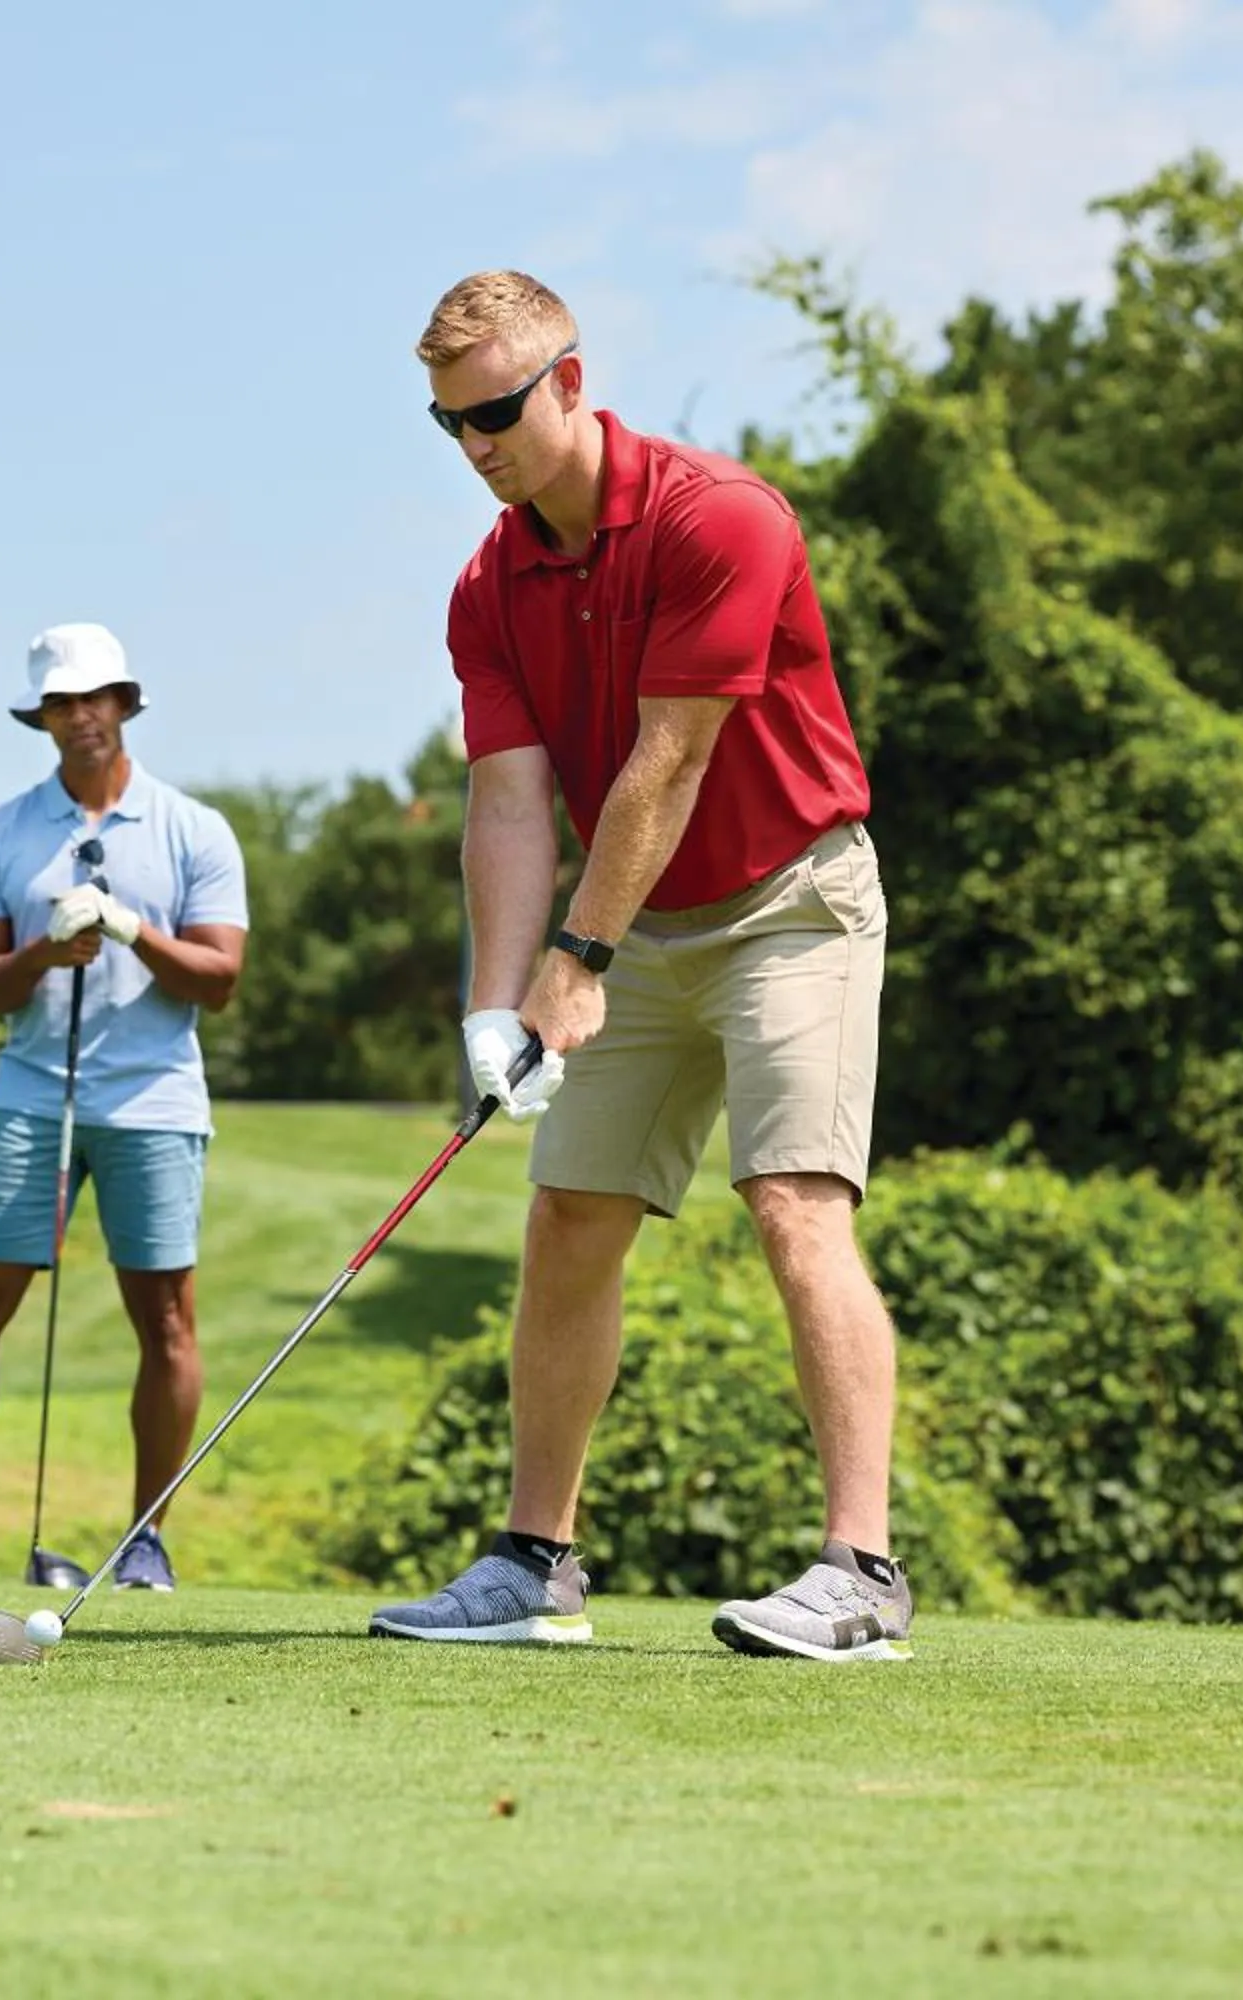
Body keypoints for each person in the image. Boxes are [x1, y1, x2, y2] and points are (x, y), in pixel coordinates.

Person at [367, 271, 910, 1661]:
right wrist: (494, 1007)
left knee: (793, 1202)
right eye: (449, 424)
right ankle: (533, 1564)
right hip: (634, 925)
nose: (476, 445)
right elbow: (507, 803)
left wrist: (575, 961)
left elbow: (670, 761)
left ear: (568, 381)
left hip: (790, 901)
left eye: (495, 412)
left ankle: (861, 1572)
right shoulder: (489, 585)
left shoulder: (718, 517)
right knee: (570, 1218)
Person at [0, 623, 249, 1592]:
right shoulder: (0, 834)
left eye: (96, 697)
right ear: (42, 717)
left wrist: (130, 929)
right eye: (62, 703)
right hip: (34, 1090)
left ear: (125, 703)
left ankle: (145, 1542)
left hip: (155, 1097)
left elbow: (219, 979)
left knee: (165, 1318)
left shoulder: (193, 829)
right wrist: (43, 951)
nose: (82, 717)